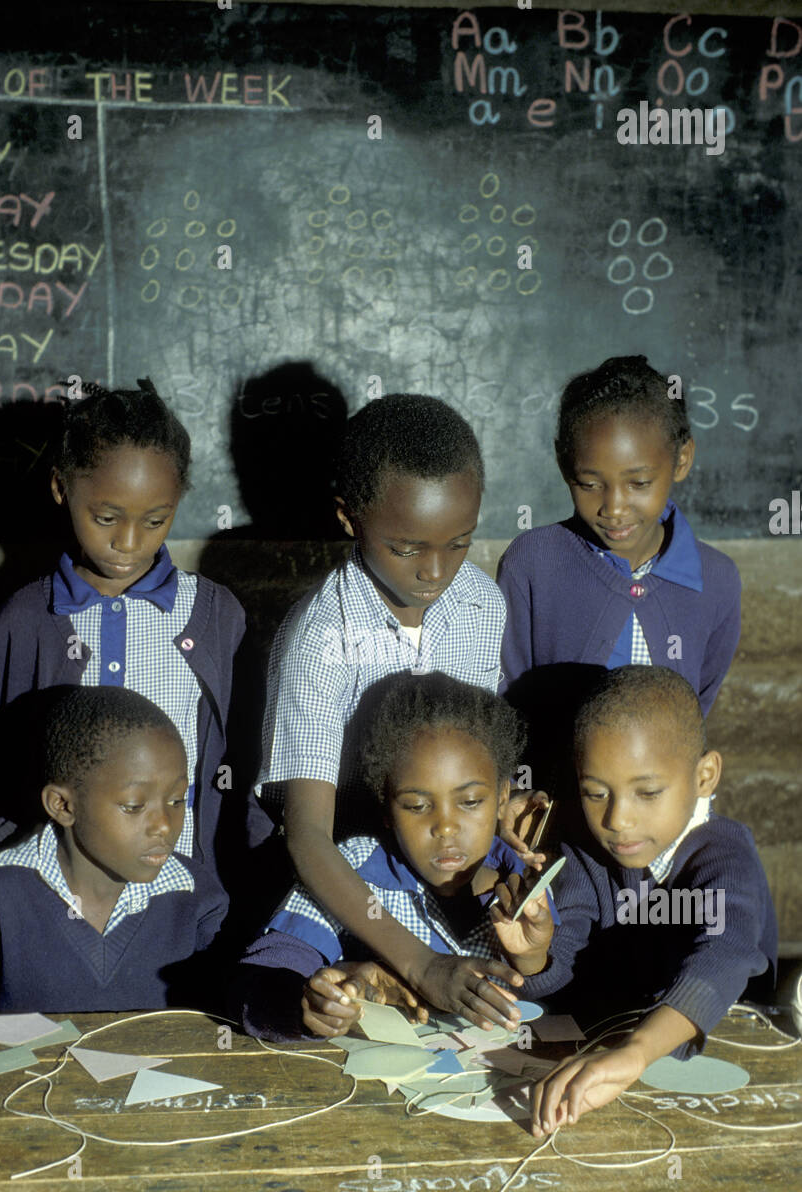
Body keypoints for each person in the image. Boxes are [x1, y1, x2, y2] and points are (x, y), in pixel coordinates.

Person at [256, 395, 544, 1022]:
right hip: (342, 895)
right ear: (348, 517)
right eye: (407, 547)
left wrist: (500, 809)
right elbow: (307, 836)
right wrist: (420, 966)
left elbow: (468, 756)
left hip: (443, 879)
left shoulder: (479, 604)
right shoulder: (320, 637)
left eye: (459, 542)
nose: (435, 570)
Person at [0, 381, 250, 873]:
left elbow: (246, 759)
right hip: (55, 893)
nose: (128, 542)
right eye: (106, 517)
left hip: (183, 892)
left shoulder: (214, 615)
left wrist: (231, 876)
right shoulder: (28, 618)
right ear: (61, 488)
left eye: (155, 520)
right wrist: (0, 842)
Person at [524, 666, 777, 1136]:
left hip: (725, 1057)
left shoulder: (724, 856)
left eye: (648, 792)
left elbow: (724, 954)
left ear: (704, 775)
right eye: (595, 793)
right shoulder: (585, 856)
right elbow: (558, 969)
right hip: (610, 1053)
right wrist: (532, 953)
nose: (618, 819)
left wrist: (636, 1050)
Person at [236, 672, 557, 1040]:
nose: (446, 827)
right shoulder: (355, 871)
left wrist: (530, 960)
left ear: (503, 797)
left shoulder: (524, 880)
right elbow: (256, 986)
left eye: (469, 802)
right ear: (387, 808)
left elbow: (546, 1008)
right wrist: (307, 1006)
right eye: (417, 806)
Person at [0, 687, 228, 1011]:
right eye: (134, 805)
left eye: (177, 800)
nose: (164, 825)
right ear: (63, 805)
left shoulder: (197, 897)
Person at [498, 355, 741, 720]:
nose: (613, 508)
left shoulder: (716, 580)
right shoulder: (533, 562)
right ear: (564, 465)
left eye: (639, 483)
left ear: (682, 459)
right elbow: (507, 695)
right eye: (590, 484)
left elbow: (696, 711)